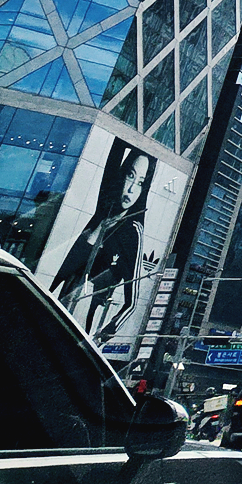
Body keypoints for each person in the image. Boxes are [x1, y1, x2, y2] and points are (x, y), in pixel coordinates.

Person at [50, 143, 154, 340]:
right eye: (130, 175)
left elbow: (131, 302)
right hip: (54, 316)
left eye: (140, 182)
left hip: (81, 333)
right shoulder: (101, 212)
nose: (131, 189)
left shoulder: (132, 232)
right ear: (122, 175)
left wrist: (102, 336)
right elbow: (63, 272)